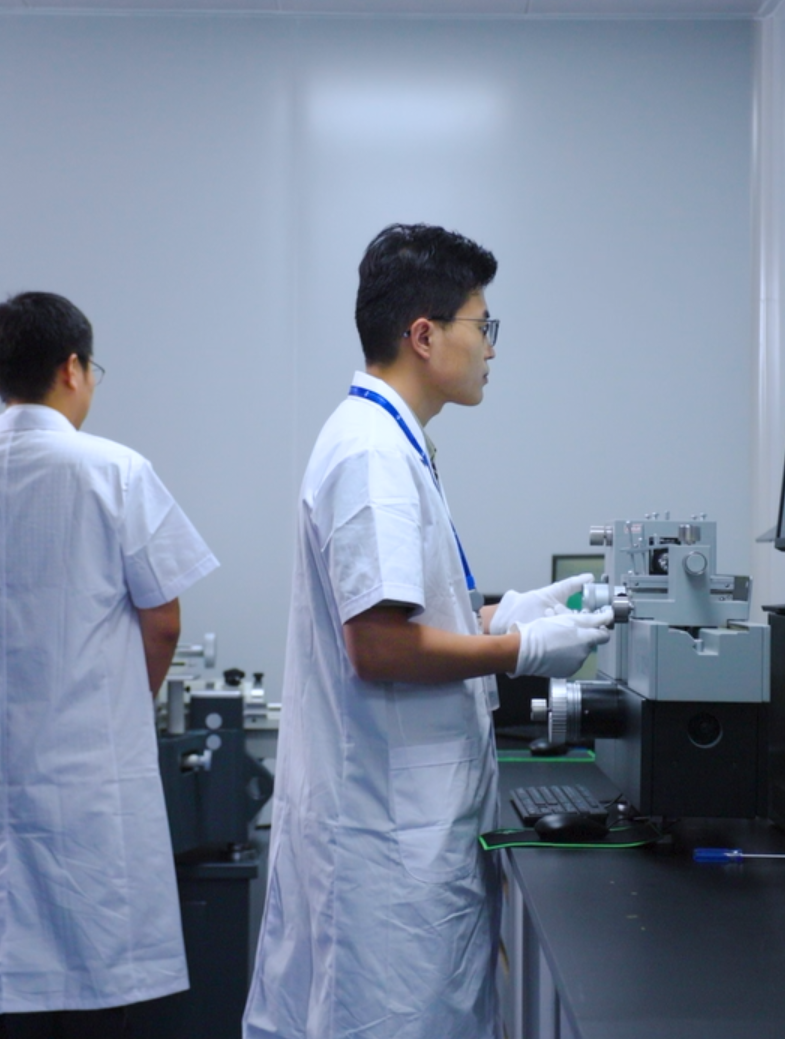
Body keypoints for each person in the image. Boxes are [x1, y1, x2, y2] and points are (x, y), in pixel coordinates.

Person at [242, 224, 613, 1039]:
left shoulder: (388, 442)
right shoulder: (373, 455)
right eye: (482, 325)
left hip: (398, 827)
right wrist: (521, 650)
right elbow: (378, 647)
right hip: (384, 847)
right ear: (424, 334)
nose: (491, 347)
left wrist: (514, 612)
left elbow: (407, 615)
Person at [0, 291, 219, 1038]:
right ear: (73, 368)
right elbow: (165, 621)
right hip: (89, 789)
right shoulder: (117, 471)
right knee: (92, 996)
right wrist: (124, 706)